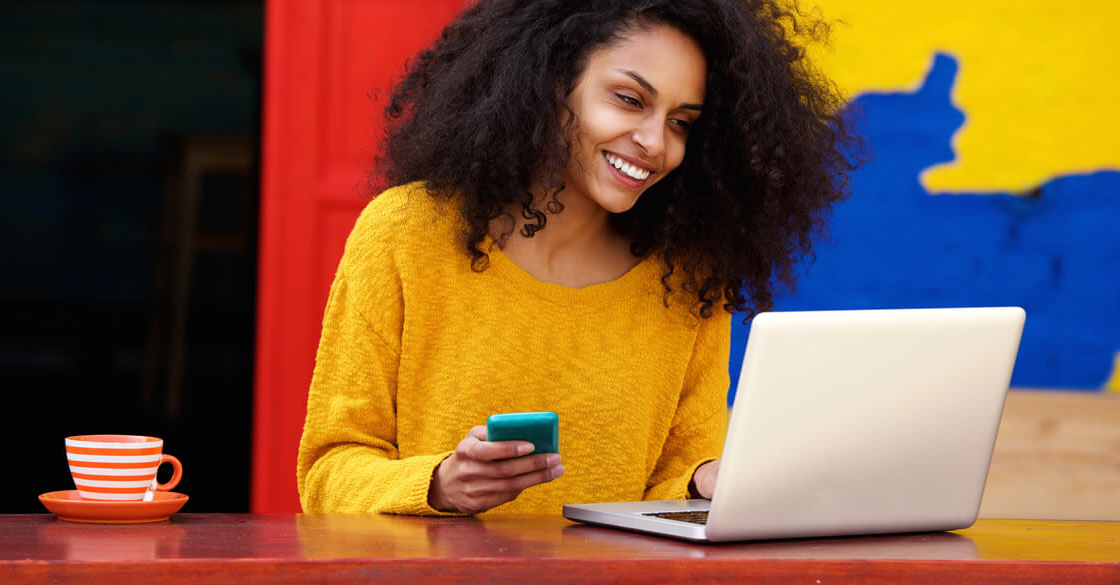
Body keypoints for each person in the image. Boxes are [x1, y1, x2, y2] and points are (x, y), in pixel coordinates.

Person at [297, 0, 857, 515]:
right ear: (550, 81)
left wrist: (705, 481)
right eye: (630, 100)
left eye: (681, 122)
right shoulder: (405, 234)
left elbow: (671, 484)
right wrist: (439, 485)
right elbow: (328, 471)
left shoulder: (688, 280)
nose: (655, 142)